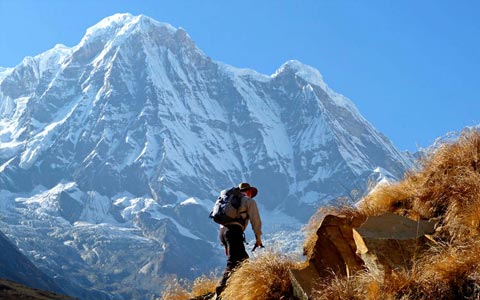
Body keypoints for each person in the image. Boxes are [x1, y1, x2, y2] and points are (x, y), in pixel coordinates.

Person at [215, 182, 263, 298]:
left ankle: (236, 288)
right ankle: (221, 289)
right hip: (233, 233)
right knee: (234, 262)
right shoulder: (248, 201)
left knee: (243, 261)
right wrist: (258, 238)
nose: (251, 195)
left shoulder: (229, 201)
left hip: (223, 232)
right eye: (251, 192)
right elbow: (255, 220)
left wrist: (225, 245)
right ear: (249, 191)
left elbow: (224, 223)